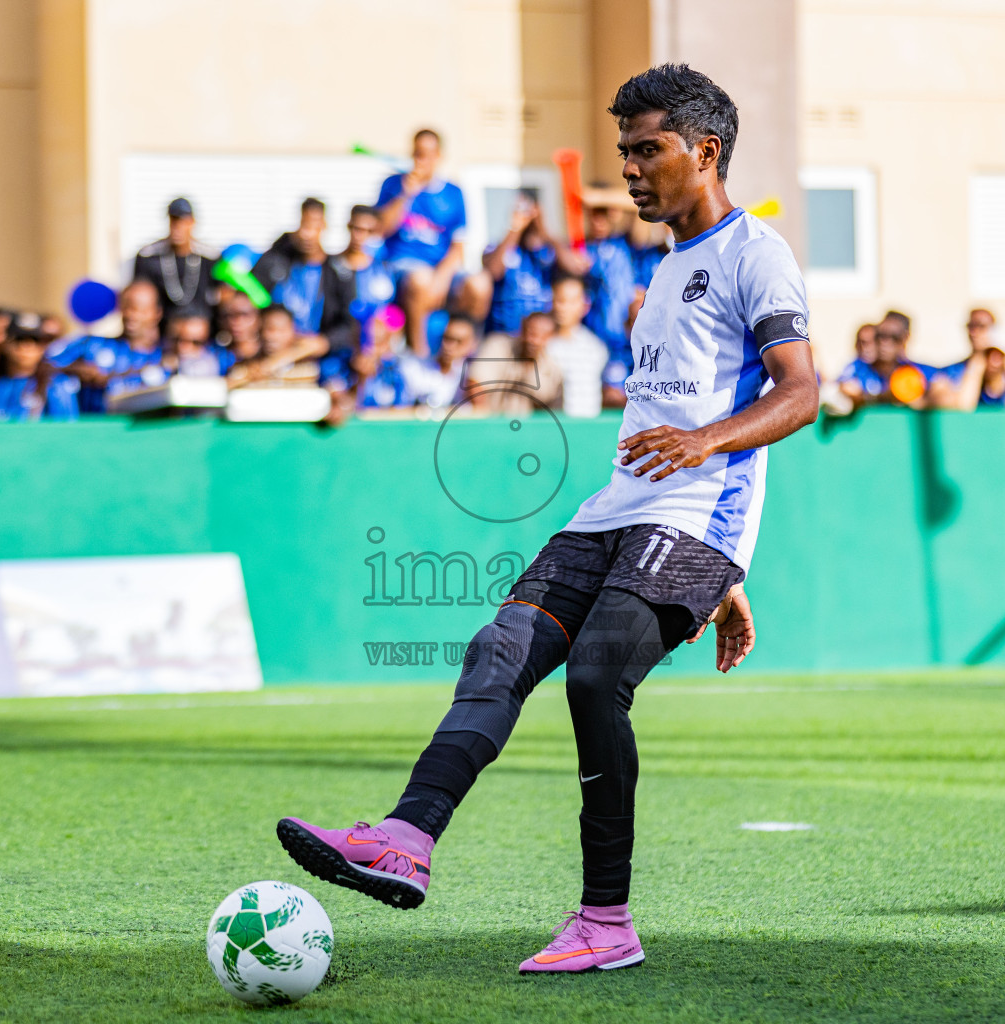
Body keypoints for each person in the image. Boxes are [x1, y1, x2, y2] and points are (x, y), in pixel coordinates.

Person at [277, 63, 818, 975]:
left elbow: (801, 393)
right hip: (619, 513)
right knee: (500, 650)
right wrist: (715, 566)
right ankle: (406, 837)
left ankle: (606, 923)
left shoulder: (753, 252)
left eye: (648, 152)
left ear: (706, 150)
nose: (633, 170)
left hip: (690, 522)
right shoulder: (667, 264)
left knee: (595, 674)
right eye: (625, 153)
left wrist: (710, 506)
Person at [375, 129, 489, 356]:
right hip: (402, 267)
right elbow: (380, 229)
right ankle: (421, 356)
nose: (421, 160)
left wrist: (442, 278)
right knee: (421, 279)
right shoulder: (393, 185)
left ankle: (469, 355)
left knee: (480, 284)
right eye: (417, 153)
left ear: (438, 156)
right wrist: (405, 195)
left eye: (427, 154)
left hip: (440, 270)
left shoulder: (454, 193)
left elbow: (459, 248)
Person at [254, 198, 358, 355]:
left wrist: (325, 342)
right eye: (304, 225)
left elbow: (349, 322)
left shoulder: (339, 273)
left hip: (320, 354)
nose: (307, 234)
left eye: (313, 226)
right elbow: (251, 294)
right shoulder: (277, 261)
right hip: (275, 350)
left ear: (324, 226)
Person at [52, 280, 166, 412]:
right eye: (126, 307)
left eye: (139, 309)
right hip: (93, 429)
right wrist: (77, 369)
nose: (131, 315)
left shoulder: (164, 357)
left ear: (157, 313)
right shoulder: (91, 344)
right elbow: (45, 365)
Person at [483, 194, 589, 336]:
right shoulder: (498, 247)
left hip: (543, 336)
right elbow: (493, 271)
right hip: (505, 334)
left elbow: (576, 268)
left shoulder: (550, 250)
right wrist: (515, 228)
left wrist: (544, 230)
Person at [132, 197, 221, 326]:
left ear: (192, 222)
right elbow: (139, 293)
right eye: (173, 221)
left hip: (200, 331)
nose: (177, 227)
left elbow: (222, 293)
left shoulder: (209, 257)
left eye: (183, 222)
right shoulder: (149, 256)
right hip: (163, 330)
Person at [0, 314, 80, 421]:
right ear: (6, 344)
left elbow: (66, 427)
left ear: (43, 346)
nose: (26, 347)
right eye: (19, 339)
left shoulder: (56, 384)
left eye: (35, 340)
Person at [466, 310, 564, 416]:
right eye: (530, 333)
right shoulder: (498, 346)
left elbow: (553, 408)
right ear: (522, 330)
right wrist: (487, 421)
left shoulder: (552, 367)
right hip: (493, 421)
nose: (533, 341)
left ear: (550, 338)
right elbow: (476, 384)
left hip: (528, 429)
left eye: (541, 336)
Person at [583, 192, 640, 363]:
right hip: (593, 337)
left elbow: (635, 206)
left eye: (604, 216)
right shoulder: (582, 247)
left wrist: (601, 198)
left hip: (624, 336)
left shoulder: (624, 242)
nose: (598, 222)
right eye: (594, 216)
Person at [836, 312, 933, 408]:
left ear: (905, 338)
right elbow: (845, 388)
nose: (885, 342)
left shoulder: (914, 371)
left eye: (894, 337)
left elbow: (942, 389)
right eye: (880, 335)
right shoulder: (860, 368)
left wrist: (922, 400)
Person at [547, 275, 611, 417]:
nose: (561, 307)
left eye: (570, 301)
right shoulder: (541, 345)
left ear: (585, 305)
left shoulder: (595, 349)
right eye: (558, 300)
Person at [228, 304, 328, 388]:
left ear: (293, 331)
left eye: (280, 330)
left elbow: (320, 345)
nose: (271, 336)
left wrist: (270, 366)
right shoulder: (247, 367)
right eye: (267, 329)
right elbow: (231, 382)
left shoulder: (306, 366)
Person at [402, 312, 476, 409]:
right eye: (447, 338)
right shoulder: (414, 368)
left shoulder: (470, 375)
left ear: (471, 345)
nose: (449, 346)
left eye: (459, 342)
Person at [162, 314, 232, 378]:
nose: (182, 347)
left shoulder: (217, 363)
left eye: (195, 342)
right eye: (177, 339)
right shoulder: (159, 362)